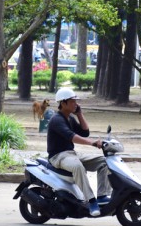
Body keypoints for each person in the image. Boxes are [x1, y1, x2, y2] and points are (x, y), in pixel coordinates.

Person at [47, 88, 112, 216]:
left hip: (71, 154)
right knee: (77, 166)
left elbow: (84, 132)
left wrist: (79, 114)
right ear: (63, 103)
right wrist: (92, 142)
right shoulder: (57, 120)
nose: (75, 104)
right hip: (58, 157)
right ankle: (91, 201)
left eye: (76, 101)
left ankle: (102, 196)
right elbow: (72, 137)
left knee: (104, 162)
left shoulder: (69, 118)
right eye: (72, 101)